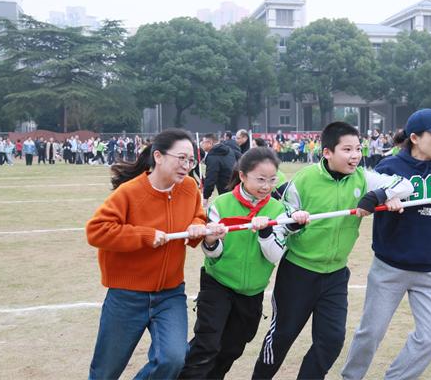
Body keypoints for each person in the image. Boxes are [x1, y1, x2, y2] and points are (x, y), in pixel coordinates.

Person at [252, 121, 413, 380]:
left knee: (331, 341)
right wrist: (293, 221)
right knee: (282, 336)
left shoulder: (363, 177)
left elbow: (406, 185)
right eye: (347, 150)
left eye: (358, 149)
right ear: (327, 152)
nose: (355, 156)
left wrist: (380, 195)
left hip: (336, 275)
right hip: (298, 274)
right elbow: (282, 221)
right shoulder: (304, 179)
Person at [341, 108, 431, 380]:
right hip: (390, 267)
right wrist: (385, 200)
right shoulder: (389, 167)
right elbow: (369, 204)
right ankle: (351, 377)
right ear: (414, 137)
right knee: (371, 332)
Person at [85, 129, 207, 380]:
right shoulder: (130, 192)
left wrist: (197, 226)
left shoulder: (190, 188)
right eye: (181, 158)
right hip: (126, 296)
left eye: (191, 160)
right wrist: (144, 236)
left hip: (170, 294)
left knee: (173, 359)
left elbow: (197, 217)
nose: (187, 166)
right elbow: (96, 231)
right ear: (159, 156)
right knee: (105, 371)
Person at [179, 147, 307, 380]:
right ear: (242, 176)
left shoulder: (279, 210)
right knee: (207, 344)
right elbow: (214, 254)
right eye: (260, 179)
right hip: (218, 284)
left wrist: (267, 231)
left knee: (232, 349)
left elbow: (274, 256)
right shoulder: (222, 204)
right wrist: (210, 240)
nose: (266, 186)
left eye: (271, 180)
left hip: (252, 291)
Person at [201, 133, 238, 207]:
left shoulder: (213, 156)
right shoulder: (229, 150)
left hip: (225, 189)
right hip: (236, 186)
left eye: (203, 142)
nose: (201, 144)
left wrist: (206, 196)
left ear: (209, 143)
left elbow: (211, 177)